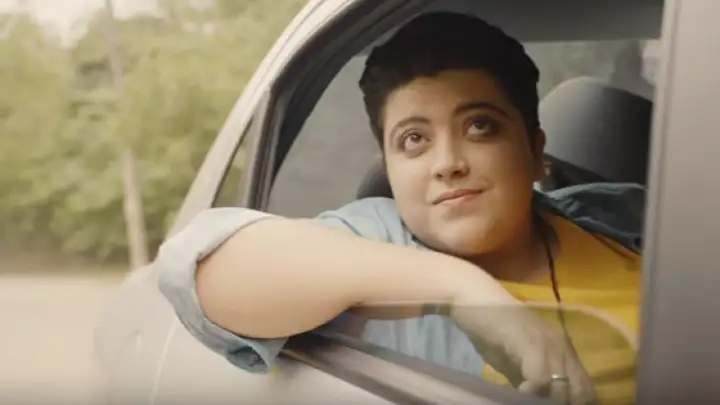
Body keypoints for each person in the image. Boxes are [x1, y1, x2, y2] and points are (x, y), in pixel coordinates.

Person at [157, 12, 645, 405]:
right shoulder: (377, 240)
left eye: (480, 126)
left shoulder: (623, 216)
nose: (448, 163)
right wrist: (461, 290)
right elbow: (205, 269)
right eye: (413, 139)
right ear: (389, 169)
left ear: (535, 152)